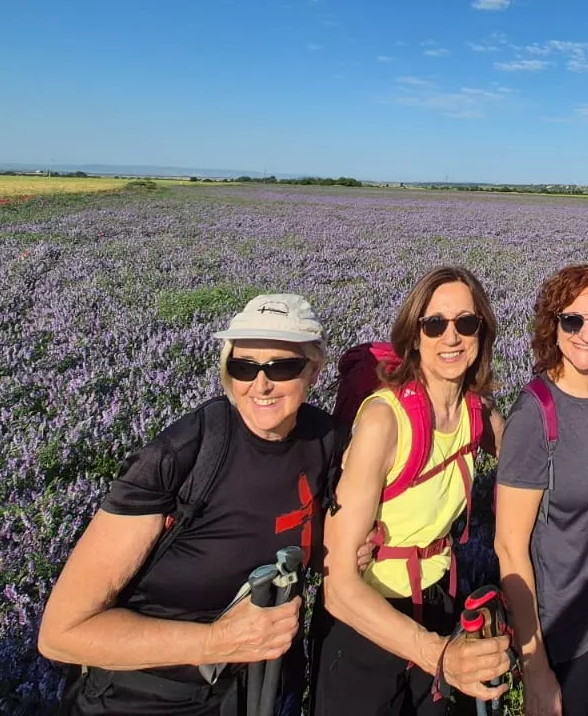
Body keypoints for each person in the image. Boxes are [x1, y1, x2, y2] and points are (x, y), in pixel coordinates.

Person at [39, 293, 339, 715]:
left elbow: (289, 529)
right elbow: (60, 634)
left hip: (267, 691)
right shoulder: (184, 454)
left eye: (283, 366)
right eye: (244, 366)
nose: (261, 384)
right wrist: (215, 642)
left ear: (315, 370)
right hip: (148, 700)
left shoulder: (321, 439)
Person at [315, 267, 510, 716]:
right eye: (434, 324)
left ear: (482, 333)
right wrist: (437, 654)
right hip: (366, 620)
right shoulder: (384, 420)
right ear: (414, 335)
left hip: (438, 602)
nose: (452, 337)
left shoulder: (475, 411)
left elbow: (530, 463)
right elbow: (338, 586)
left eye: (466, 323)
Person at [495, 265, 588, 716]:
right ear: (552, 323)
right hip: (563, 625)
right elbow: (508, 547)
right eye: (572, 320)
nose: (586, 333)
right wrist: (534, 668)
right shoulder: (534, 414)